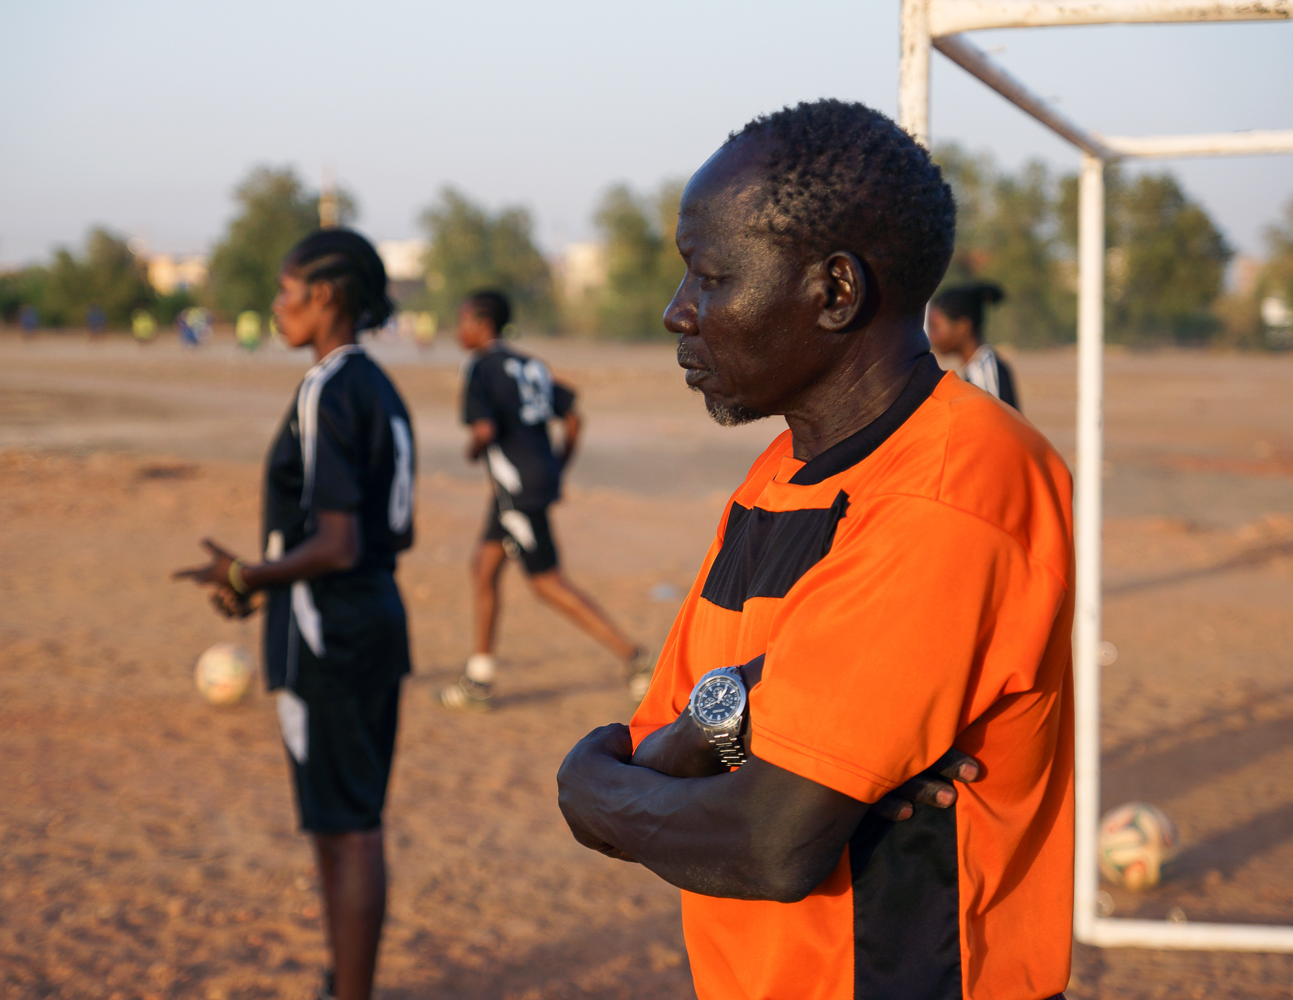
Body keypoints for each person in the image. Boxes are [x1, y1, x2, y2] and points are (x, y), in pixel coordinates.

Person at [557, 100, 1075, 1000]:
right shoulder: (779, 474)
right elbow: (660, 744)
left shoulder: (958, 484)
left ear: (836, 291)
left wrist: (589, 792)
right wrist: (750, 712)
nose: (679, 314)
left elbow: (769, 839)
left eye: (710, 277)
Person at [174, 228, 414, 1000]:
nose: (275, 308)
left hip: (329, 629)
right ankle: (345, 978)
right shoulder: (377, 385)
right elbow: (352, 535)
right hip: (370, 617)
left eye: (285, 293)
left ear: (326, 297)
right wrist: (260, 583)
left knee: (345, 829)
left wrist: (249, 572)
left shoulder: (327, 388)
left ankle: (349, 990)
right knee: (348, 820)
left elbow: (337, 542)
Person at [437, 290, 653, 712]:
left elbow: (482, 431)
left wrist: (473, 451)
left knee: (546, 583)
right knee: (483, 570)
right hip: (521, 486)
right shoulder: (529, 364)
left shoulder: (481, 368)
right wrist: (558, 466)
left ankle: (636, 659)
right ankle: (479, 679)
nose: (456, 329)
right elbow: (573, 416)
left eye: (462, 320)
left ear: (483, 325)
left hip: (516, 490)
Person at [927, 280, 1021, 410]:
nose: (931, 336)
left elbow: (994, 427)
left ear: (962, 327)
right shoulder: (976, 368)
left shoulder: (983, 374)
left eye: (935, 327)